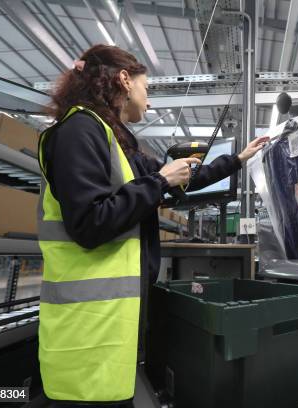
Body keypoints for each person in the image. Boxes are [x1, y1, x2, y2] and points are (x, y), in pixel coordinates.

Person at [37, 44, 268, 407]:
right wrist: (160, 181)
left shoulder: (114, 139)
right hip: (85, 329)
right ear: (124, 80)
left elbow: (181, 179)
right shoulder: (80, 130)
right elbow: (90, 223)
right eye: (148, 89)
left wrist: (238, 159)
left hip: (109, 320)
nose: (150, 101)